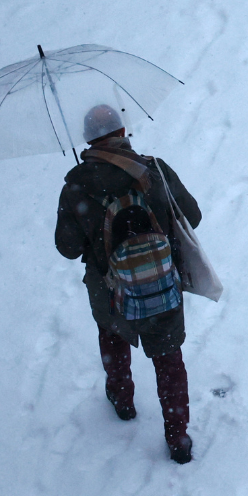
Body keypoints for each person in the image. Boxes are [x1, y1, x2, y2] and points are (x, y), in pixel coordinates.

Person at [55, 105, 203, 463]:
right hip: (160, 284)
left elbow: (68, 248)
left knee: (113, 336)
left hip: (109, 289)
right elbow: (193, 216)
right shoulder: (153, 169)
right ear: (123, 133)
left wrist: (84, 199)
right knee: (168, 357)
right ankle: (178, 437)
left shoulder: (76, 185)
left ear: (88, 140)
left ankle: (122, 400)